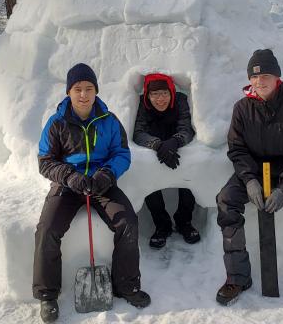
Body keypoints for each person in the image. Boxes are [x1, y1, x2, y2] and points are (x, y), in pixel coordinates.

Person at [33, 63, 150, 323]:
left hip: (101, 182)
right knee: (47, 229)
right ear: (69, 92)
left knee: (128, 221)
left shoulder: (108, 121)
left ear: (96, 91)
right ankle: (47, 294)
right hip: (68, 184)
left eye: (88, 89)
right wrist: (70, 177)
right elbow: (45, 160)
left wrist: (107, 174)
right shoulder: (57, 123)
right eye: (78, 89)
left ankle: (126, 285)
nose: (83, 95)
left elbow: (122, 153)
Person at [215, 49, 283, 315]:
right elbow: (237, 149)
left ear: (277, 77)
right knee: (226, 201)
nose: (259, 81)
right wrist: (250, 180)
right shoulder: (242, 109)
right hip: (254, 171)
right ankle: (237, 277)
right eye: (254, 77)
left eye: (265, 75)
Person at [133, 73, 200, 249]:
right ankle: (162, 225)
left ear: (172, 92)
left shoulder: (180, 101)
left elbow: (187, 127)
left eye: (164, 93)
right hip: (157, 150)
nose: (160, 99)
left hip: (177, 148)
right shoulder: (141, 105)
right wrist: (157, 145)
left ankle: (184, 221)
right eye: (154, 94)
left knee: (191, 173)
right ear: (147, 95)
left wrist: (175, 142)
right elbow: (138, 132)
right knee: (147, 177)